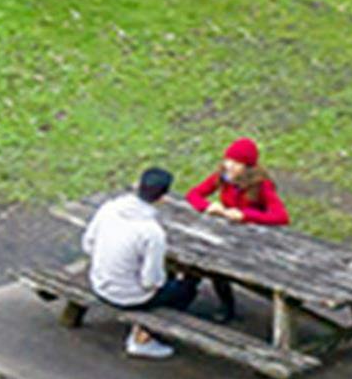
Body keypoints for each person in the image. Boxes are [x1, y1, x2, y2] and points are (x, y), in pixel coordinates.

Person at [81, 167, 194, 359]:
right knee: (187, 288)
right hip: (128, 297)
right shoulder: (152, 232)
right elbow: (151, 281)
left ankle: (144, 334)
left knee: (167, 278)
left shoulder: (109, 208)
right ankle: (144, 337)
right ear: (163, 198)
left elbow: (88, 244)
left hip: (99, 282)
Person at [185, 137, 288, 321]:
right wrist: (208, 207)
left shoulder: (262, 185)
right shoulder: (222, 177)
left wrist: (246, 215)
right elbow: (194, 194)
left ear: (248, 167)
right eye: (228, 160)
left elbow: (280, 216)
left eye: (236, 163)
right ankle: (223, 304)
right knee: (207, 262)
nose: (229, 166)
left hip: (255, 239)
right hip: (228, 235)